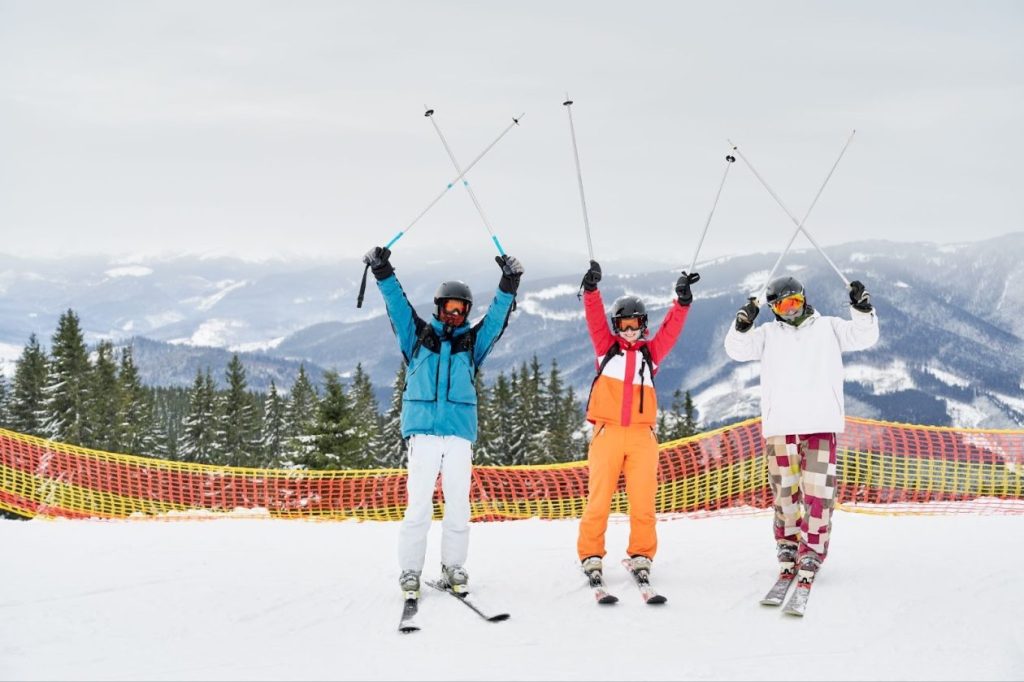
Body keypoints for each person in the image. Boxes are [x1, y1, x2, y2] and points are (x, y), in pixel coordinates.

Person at [362, 245, 523, 598]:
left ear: (466, 312)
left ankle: (453, 566)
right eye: (449, 308)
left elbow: (497, 319)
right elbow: (397, 306)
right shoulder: (417, 337)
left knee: (458, 504)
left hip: (459, 436)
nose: (454, 314)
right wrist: (382, 271)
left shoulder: (471, 343)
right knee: (418, 504)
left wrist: (509, 283)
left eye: (461, 309)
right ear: (438, 307)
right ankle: (410, 571)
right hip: (422, 434)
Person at [723, 275, 878, 582]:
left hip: (820, 424)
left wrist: (862, 308)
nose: (790, 311)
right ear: (772, 309)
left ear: (804, 299)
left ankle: (813, 549)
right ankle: (788, 544)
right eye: (781, 306)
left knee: (819, 494)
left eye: (794, 302)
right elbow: (736, 350)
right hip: (782, 426)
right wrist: (742, 325)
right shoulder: (767, 334)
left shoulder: (829, 327)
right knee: (785, 493)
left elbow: (864, 336)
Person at [576, 260, 700, 584]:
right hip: (608, 434)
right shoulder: (606, 350)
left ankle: (641, 553)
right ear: (616, 327)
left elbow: (670, 330)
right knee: (599, 499)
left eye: (635, 325)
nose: (629, 331)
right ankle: (591, 554)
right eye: (624, 325)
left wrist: (682, 302)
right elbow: (593, 320)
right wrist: (591, 290)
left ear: (643, 325)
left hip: (642, 437)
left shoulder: (650, 354)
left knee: (643, 501)